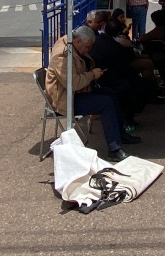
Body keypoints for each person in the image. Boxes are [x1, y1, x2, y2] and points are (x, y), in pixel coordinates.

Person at [44, 26, 140, 163]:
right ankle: (114, 149)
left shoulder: (73, 45)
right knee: (105, 103)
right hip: (65, 99)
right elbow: (74, 83)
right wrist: (92, 75)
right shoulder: (63, 55)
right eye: (87, 47)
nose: (87, 50)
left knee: (110, 94)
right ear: (78, 42)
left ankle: (119, 135)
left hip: (75, 93)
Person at [89, 20, 156, 131]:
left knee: (138, 84)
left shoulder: (98, 40)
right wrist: (127, 45)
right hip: (114, 81)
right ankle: (127, 117)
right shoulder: (116, 47)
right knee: (147, 86)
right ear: (118, 33)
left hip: (100, 80)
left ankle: (126, 116)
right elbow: (126, 66)